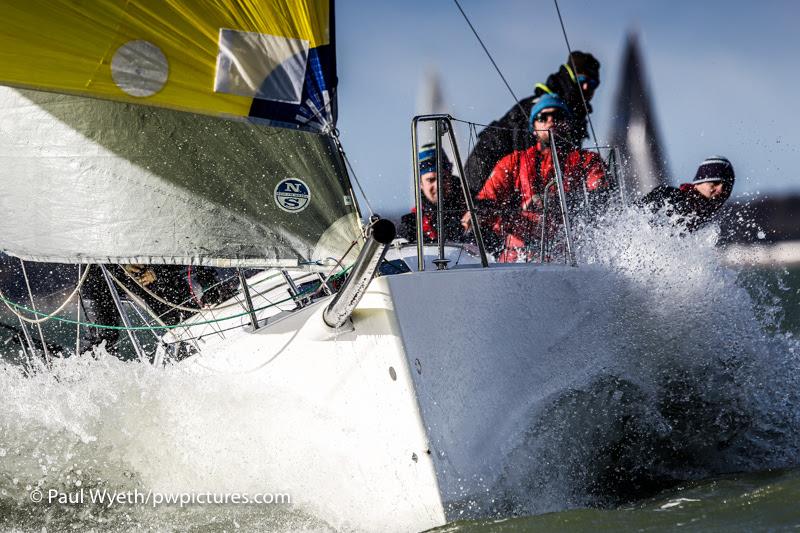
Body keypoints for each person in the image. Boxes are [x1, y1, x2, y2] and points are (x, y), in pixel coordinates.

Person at [464, 93, 608, 262]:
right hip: (516, 260)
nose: (550, 120)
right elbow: (488, 198)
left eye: (558, 115)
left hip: (569, 256)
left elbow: (601, 198)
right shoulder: (513, 162)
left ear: (568, 123)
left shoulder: (588, 161)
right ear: (533, 126)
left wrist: (555, 200)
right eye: (543, 116)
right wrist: (477, 215)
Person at [464, 51, 601, 192]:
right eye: (582, 80)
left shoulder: (574, 117)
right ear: (569, 77)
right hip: (485, 175)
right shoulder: (537, 108)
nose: (586, 87)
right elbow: (528, 157)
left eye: (593, 84)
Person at [640, 156, 735, 232]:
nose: (721, 189)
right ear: (698, 183)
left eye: (727, 186)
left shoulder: (708, 215)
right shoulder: (670, 197)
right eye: (714, 183)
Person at [399, 143, 468, 243]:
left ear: (450, 177)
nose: (438, 185)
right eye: (431, 180)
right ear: (420, 184)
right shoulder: (412, 225)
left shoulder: (474, 208)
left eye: (443, 178)